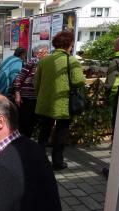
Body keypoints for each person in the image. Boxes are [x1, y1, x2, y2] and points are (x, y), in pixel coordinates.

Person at [35, 30, 85, 170]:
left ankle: (40, 161)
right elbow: (78, 81)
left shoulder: (44, 60)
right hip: (63, 104)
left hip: (45, 103)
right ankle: (58, 162)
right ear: (69, 44)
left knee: (43, 134)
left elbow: (36, 82)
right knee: (61, 133)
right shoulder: (72, 60)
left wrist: (42, 95)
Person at [102, 35, 119, 178]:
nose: (113, 47)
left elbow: (112, 85)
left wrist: (109, 99)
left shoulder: (117, 60)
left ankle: (115, 169)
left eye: (115, 45)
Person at [14, 44, 49, 138]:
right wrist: (17, 94)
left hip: (37, 98)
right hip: (27, 97)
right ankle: (21, 143)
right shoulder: (32, 63)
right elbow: (19, 78)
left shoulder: (46, 64)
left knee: (32, 122)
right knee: (25, 123)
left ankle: (27, 143)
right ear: (39, 53)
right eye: (46, 52)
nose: (48, 54)